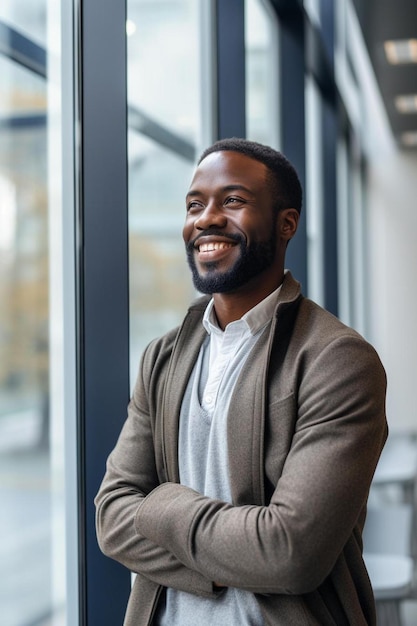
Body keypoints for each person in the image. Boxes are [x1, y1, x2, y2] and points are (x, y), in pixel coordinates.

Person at [95, 138, 387, 626]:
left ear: (286, 223)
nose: (206, 218)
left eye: (232, 201)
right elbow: (112, 518)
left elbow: (290, 553)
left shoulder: (337, 361)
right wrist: (237, 553)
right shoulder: (162, 358)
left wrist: (162, 504)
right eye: (195, 204)